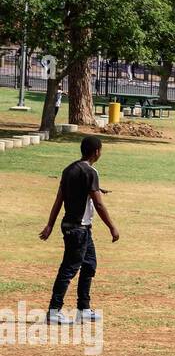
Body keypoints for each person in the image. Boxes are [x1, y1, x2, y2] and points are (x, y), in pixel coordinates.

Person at [40, 136, 120, 325]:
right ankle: (53, 311)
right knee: (69, 269)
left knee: (89, 264)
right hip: (78, 229)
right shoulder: (90, 172)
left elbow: (60, 198)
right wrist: (112, 227)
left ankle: (83, 309)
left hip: (74, 227)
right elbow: (98, 204)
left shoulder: (69, 170)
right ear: (97, 152)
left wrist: (50, 224)